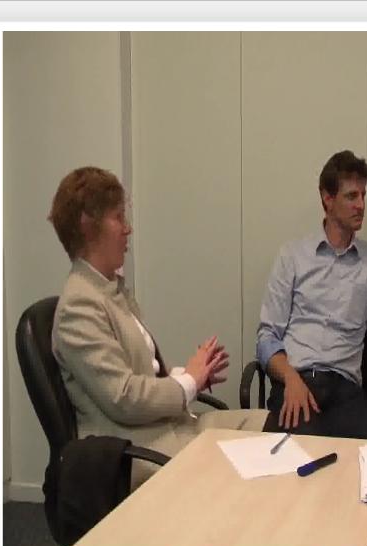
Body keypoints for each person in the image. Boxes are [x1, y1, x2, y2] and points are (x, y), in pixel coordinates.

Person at [49, 166, 266, 488]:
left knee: (268, 427)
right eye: (119, 217)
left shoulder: (110, 290)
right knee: (252, 467)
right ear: (88, 225)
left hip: (164, 428)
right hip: (136, 448)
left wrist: (191, 375)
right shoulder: (78, 305)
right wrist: (189, 381)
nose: (128, 229)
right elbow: (124, 398)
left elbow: (140, 375)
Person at [255, 150, 367, 440]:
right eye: (352, 196)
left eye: (363, 196)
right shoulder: (293, 256)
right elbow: (267, 338)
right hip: (297, 381)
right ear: (327, 198)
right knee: (305, 455)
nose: (361, 205)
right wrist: (290, 378)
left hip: (346, 390)